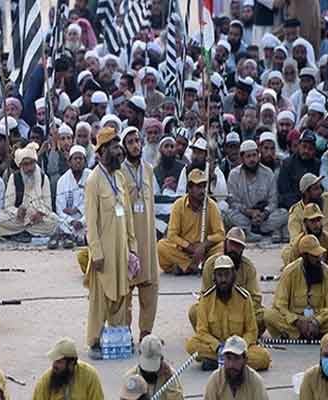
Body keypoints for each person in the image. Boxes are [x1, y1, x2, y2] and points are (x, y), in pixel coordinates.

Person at [82, 128, 136, 358]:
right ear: (102, 151)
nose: (119, 151)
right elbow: (90, 221)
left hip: (121, 249)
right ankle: (94, 341)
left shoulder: (119, 176)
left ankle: (119, 336)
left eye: (118, 146)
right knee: (100, 299)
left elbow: (129, 215)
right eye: (114, 147)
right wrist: (96, 252)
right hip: (103, 251)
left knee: (123, 295)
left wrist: (132, 249)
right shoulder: (94, 180)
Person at [185, 255, 271, 371]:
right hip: (216, 347)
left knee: (263, 358)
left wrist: (238, 348)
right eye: (220, 275)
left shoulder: (244, 298)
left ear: (234, 276)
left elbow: (252, 331)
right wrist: (217, 347)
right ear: (214, 278)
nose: (223, 280)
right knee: (191, 345)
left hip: (238, 347)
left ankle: (218, 363)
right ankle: (233, 364)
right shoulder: (206, 299)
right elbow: (202, 331)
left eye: (227, 275)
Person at [118, 127, 159, 342]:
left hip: (148, 238)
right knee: (126, 290)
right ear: (124, 146)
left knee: (150, 287)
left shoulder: (149, 170)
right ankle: (124, 333)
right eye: (130, 142)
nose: (135, 145)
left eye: (137, 141)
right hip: (128, 237)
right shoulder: (119, 172)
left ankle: (146, 332)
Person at [265, 235, 328, 339]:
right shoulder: (290, 271)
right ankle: (301, 334)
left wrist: (317, 321)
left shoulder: (325, 271)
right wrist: (297, 321)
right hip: (295, 321)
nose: (319, 259)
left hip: (318, 320)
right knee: (269, 315)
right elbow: (280, 305)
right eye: (314, 256)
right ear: (304, 256)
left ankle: (298, 335)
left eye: (319, 255)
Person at [189, 227, 264, 334]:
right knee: (194, 311)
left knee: (263, 316)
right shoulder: (211, 264)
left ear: (242, 249)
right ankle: (212, 339)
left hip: (239, 316)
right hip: (215, 315)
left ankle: (241, 339)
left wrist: (237, 311)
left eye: (238, 246)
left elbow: (256, 299)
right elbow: (205, 296)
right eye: (232, 244)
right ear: (225, 243)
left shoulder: (248, 267)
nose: (234, 249)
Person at [157, 169, 225, 275]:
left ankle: (186, 267)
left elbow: (220, 234)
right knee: (161, 246)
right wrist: (190, 247)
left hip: (205, 250)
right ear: (189, 188)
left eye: (203, 186)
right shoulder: (179, 205)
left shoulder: (211, 205)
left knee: (222, 247)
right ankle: (194, 266)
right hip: (184, 250)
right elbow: (172, 235)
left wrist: (203, 245)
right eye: (198, 187)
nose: (202, 190)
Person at [0, 142, 59, 241]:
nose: (29, 168)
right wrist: (17, 212)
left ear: (35, 162)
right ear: (20, 165)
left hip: (37, 219)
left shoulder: (43, 178)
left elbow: (48, 206)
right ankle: (29, 232)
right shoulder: (14, 178)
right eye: (26, 164)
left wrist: (40, 213)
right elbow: (8, 205)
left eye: (31, 163)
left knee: (54, 221)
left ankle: (21, 232)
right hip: (19, 218)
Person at [226, 140, 287, 242]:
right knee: (227, 214)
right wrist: (249, 212)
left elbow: (273, 201)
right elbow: (233, 202)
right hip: (244, 217)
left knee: (284, 213)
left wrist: (264, 214)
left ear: (258, 156)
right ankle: (256, 230)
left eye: (254, 155)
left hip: (264, 218)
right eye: (248, 156)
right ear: (242, 158)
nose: (252, 159)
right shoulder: (234, 175)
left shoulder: (268, 173)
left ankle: (254, 230)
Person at [282, 203, 328, 298]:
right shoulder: (297, 243)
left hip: (323, 280)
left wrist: (324, 276)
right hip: (303, 282)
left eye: (318, 220)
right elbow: (290, 270)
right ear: (305, 223)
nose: (317, 225)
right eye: (312, 221)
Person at [32, 337, 104, 400]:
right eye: (54, 361)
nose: (54, 365)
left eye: (59, 362)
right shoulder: (46, 380)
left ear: (71, 363)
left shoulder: (89, 376)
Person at [202, 336, 270, 400]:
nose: (231, 364)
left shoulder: (255, 381)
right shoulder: (215, 380)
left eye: (236, 358)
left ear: (245, 360)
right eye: (228, 358)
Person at [124, 334, 183, 399]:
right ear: (140, 353)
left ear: (161, 358)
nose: (149, 372)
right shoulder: (131, 377)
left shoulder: (170, 377)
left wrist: (169, 384)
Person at [54, 145, 91, 248]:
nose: (78, 161)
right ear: (69, 162)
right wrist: (72, 220)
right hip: (68, 222)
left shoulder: (91, 177)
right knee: (55, 220)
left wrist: (81, 219)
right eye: (75, 158)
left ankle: (74, 237)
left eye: (81, 158)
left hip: (87, 219)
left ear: (85, 161)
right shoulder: (62, 180)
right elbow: (60, 209)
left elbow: (93, 204)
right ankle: (75, 237)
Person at [277, 131, 320, 210]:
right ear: (299, 146)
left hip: (313, 206)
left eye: (310, 148)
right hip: (291, 207)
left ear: (314, 150)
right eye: (304, 146)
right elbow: (284, 191)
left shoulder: (317, 164)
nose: (306, 151)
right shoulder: (287, 163)